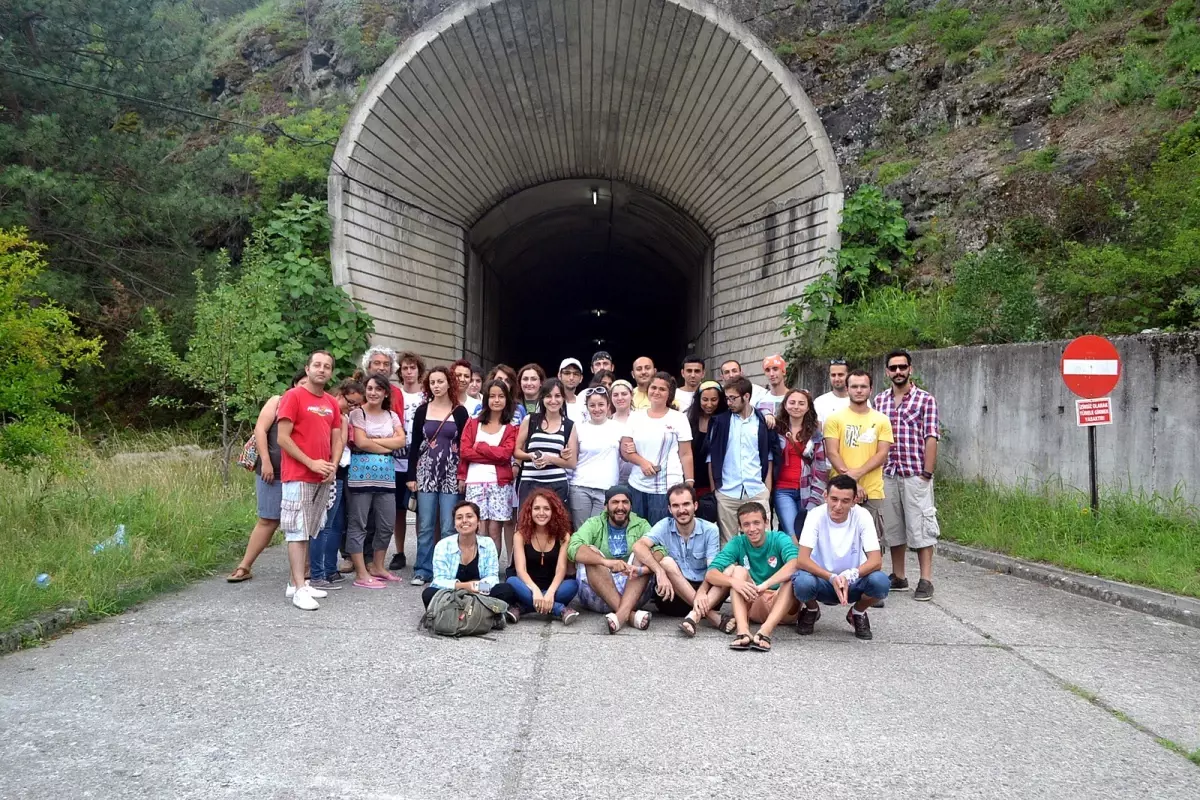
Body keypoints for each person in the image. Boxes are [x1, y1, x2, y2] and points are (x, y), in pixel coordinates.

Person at [227, 369, 308, 583]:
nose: (305, 387)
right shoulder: (278, 401)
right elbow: (260, 430)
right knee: (268, 519)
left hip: (301, 473)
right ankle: (244, 565)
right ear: (294, 384)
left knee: (304, 522)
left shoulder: (314, 407)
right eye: (302, 383)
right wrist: (266, 461)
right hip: (273, 471)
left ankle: (304, 569)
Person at [276, 351, 342, 611]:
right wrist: (310, 462)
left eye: (327, 366)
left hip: (322, 476)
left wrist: (333, 465)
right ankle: (299, 589)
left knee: (311, 529)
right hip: (298, 474)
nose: (322, 369)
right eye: (317, 365)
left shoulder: (331, 402)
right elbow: (283, 437)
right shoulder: (293, 396)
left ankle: (297, 583)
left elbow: (336, 437)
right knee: (297, 531)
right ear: (307, 368)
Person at [874, 349, 941, 601]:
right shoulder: (880, 401)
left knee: (921, 526)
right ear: (887, 372)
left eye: (902, 367)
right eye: (893, 368)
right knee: (893, 528)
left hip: (915, 473)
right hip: (888, 473)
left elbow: (931, 436)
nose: (898, 372)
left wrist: (927, 473)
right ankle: (899, 576)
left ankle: (926, 580)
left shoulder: (925, 399)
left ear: (910, 369)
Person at [790, 474, 891, 640]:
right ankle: (812, 609)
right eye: (834, 499)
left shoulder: (862, 515)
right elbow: (802, 559)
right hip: (822, 579)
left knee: (881, 582)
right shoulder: (815, 515)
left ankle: (857, 612)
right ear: (825, 496)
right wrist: (831, 577)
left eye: (845, 501)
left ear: (854, 501)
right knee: (802, 582)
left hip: (853, 581)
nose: (838, 506)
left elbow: (876, 561)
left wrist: (849, 575)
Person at [631, 484, 731, 636]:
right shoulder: (664, 525)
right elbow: (638, 546)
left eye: (686, 504)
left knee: (729, 569)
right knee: (666, 562)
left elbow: (713, 569)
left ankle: (693, 616)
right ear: (670, 509)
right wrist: (659, 572)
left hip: (707, 596)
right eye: (676, 506)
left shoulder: (710, 530)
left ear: (695, 506)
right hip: (674, 597)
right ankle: (712, 617)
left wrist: (702, 591)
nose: (681, 510)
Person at [405, 366, 471, 586]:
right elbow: (415, 444)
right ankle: (422, 569)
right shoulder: (422, 411)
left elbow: (465, 446)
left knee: (448, 526)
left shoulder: (460, 411)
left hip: (451, 472)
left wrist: (463, 475)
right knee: (425, 524)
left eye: (440, 381)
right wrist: (411, 476)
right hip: (426, 472)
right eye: (432, 382)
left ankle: (446, 570)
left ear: (449, 383)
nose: (436, 386)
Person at [703, 503, 800, 651]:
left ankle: (765, 632)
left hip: (782, 603)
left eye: (756, 523)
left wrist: (766, 584)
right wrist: (733, 582)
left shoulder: (779, 538)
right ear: (740, 527)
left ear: (766, 522)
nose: (752, 529)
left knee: (790, 579)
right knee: (738, 571)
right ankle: (743, 632)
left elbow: (795, 563)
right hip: (754, 599)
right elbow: (711, 573)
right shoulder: (738, 542)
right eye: (746, 524)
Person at [343, 375, 406, 588]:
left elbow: (401, 440)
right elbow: (360, 442)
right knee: (358, 523)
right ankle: (361, 573)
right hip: (360, 477)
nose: (373, 393)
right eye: (369, 388)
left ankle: (378, 566)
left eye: (378, 389)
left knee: (387, 523)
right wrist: (387, 446)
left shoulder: (392, 415)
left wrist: (373, 442)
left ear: (386, 393)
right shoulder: (357, 414)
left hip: (386, 477)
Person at [567, 485, 657, 633]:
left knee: (642, 553)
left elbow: (660, 549)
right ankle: (629, 615)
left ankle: (620, 616)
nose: (620, 507)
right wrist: (606, 562)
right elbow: (573, 547)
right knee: (591, 552)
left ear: (631, 506)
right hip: (597, 595)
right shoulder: (594, 523)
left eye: (625, 502)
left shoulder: (641, 524)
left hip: (634, 592)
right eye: (615, 502)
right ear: (606, 506)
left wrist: (640, 569)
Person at [422, 500, 519, 624]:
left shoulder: (488, 543)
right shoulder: (443, 545)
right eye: (459, 518)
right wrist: (465, 586)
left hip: (481, 594)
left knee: (506, 590)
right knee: (428, 593)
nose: (464, 521)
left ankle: (457, 615)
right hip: (452, 594)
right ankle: (485, 616)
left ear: (478, 522)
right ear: (454, 523)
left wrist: (477, 587)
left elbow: (492, 578)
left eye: (469, 516)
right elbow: (439, 581)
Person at [824, 369, 893, 542]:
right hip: (840, 492)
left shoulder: (882, 420)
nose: (859, 390)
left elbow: (882, 454)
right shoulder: (834, 419)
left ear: (871, 389)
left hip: (872, 492)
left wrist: (857, 474)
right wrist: (851, 482)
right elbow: (832, 452)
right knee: (839, 543)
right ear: (847, 389)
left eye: (863, 386)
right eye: (854, 386)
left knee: (871, 545)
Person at [707, 376, 777, 546]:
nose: (729, 402)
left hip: (756, 490)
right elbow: (711, 457)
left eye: (733, 398)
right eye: (727, 398)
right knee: (728, 544)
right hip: (727, 491)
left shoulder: (762, 421)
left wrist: (767, 489)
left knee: (763, 541)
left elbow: (768, 456)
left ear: (746, 396)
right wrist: (715, 489)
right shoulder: (719, 422)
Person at [309, 379, 365, 590]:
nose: (353, 408)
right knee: (324, 525)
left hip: (339, 472)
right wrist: (332, 467)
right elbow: (337, 444)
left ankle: (330, 569)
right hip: (329, 472)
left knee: (335, 524)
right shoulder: (331, 414)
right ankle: (319, 572)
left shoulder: (342, 415)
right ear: (340, 395)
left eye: (357, 405)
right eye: (351, 402)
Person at [621, 372, 694, 525]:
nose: (656, 392)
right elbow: (625, 450)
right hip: (637, 485)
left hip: (667, 488)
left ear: (669, 393)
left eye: (662, 389)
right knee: (637, 531)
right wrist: (642, 462)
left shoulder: (679, 418)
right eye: (653, 387)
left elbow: (686, 454)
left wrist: (689, 482)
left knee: (662, 533)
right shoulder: (635, 417)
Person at [458, 379, 518, 558]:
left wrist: (481, 447)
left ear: (507, 399)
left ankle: (492, 567)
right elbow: (465, 451)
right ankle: (478, 566)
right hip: (475, 481)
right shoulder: (473, 423)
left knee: (494, 530)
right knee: (478, 527)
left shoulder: (511, 428)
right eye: (492, 396)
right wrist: (493, 455)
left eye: (501, 396)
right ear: (486, 399)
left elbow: (505, 455)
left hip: (499, 483)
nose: (496, 400)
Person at [505, 489, 581, 623]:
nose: (541, 513)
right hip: (527, 587)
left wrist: (550, 593)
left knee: (573, 585)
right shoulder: (520, 535)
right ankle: (559, 609)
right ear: (530, 511)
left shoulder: (563, 536)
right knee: (512, 581)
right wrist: (535, 591)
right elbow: (521, 570)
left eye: (546, 509)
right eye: (537, 508)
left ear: (554, 512)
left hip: (554, 587)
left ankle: (523, 607)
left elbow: (561, 569)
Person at [773, 389, 829, 539]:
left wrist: (815, 499)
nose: (796, 407)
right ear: (785, 405)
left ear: (808, 407)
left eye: (801, 403)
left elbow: (821, 470)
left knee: (807, 534)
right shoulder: (776, 430)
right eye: (792, 402)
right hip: (782, 490)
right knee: (792, 534)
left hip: (807, 490)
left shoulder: (814, 434)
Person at [389, 350, 426, 572]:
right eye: (405, 368)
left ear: (419, 371)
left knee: (422, 510)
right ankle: (400, 551)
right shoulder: (394, 395)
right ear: (400, 372)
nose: (409, 372)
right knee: (398, 509)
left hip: (420, 459)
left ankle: (422, 552)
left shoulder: (426, 396)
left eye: (413, 367)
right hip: (397, 458)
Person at [514, 378, 577, 505]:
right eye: (548, 396)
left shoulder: (569, 425)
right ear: (542, 398)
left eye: (557, 396)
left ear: (563, 398)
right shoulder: (530, 420)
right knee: (526, 517)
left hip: (557, 484)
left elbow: (572, 463)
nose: (553, 400)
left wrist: (550, 459)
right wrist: (530, 456)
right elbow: (516, 451)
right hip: (529, 482)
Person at [569, 386, 623, 529]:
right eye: (592, 405)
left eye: (601, 405)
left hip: (607, 488)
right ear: (586, 407)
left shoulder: (619, 427)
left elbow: (627, 454)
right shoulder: (578, 427)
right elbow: (572, 457)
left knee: (600, 531)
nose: (597, 409)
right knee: (581, 532)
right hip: (580, 486)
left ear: (608, 406)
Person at [686, 380, 727, 524]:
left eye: (714, 400)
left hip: (716, 482)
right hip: (693, 479)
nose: (709, 404)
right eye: (705, 399)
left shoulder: (726, 420)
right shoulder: (689, 419)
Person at [610, 379, 636, 484]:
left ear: (631, 395)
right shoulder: (606, 421)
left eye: (624, 394)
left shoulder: (642, 419)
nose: (620, 398)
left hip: (637, 477)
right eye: (615, 395)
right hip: (614, 478)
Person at [814, 358, 851, 428]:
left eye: (840, 375)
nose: (836, 379)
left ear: (848, 376)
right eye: (833, 375)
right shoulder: (819, 402)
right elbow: (817, 431)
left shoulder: (861, 401)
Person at [558, 357, 585, 422]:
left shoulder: (585, 403)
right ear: (559, 376)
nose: (571, 378)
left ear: (581, 378)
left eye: (576, 374)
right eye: (567, 373)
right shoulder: (551, 402)